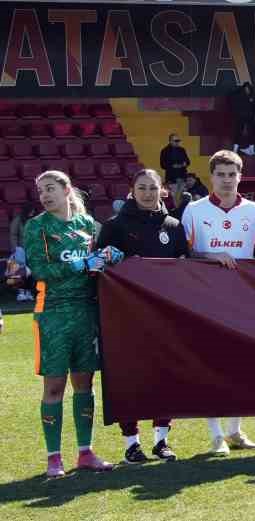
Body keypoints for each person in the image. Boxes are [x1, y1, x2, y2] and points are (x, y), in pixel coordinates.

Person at [29, 170, 122, 477]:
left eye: (50, 188)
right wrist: (79, 264)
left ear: (67, 189)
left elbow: (96, 262)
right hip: (53, 313)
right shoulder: (37, 226)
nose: (45, 194)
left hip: (86, 312)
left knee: (85, 384)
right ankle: (54, 457)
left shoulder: (86, 225)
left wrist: (107, 256)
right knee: (54, 385)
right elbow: (40, 269)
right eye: (41, 190)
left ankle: (85, 452)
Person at [179, 151, 255, 455]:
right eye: (221, 174)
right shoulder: (193, 210)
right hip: (206, 299)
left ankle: (235, 431)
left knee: (240, 366)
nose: (227, 180)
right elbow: (183, 255)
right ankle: (216, 435)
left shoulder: (254, 210)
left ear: (240, 176)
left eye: (232, 174)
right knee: (212, 365)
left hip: (244, 301)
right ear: (211, 177)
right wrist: (210, 256)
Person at [97, 169, 188, 463]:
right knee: (131, 376)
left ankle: (162, 441)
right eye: (142, 188)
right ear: (132, 190)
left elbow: (183, 267)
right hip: (127, 316)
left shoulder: (174, 226)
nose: (148, 193)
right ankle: (131, 443)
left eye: (152, 187)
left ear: (162, 190)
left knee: (166, 374)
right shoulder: (114, 226)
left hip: (166, 313)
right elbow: (100, 267)